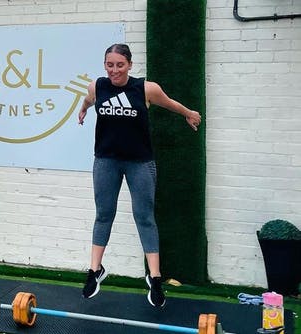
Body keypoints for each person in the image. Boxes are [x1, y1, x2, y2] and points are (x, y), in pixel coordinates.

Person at [77, 43, 202, 307]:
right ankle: (94, 270)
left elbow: (169, 104)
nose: (114, 71)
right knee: (103, 214)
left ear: (130, 65)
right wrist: (84, 109)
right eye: (109, 65)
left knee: (144, 217)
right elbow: (88, 99)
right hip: (106, 161)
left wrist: (188, 113)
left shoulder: (145, 89)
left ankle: (154, 278)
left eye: (120, 65)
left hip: (140, 163)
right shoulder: (97, 87)